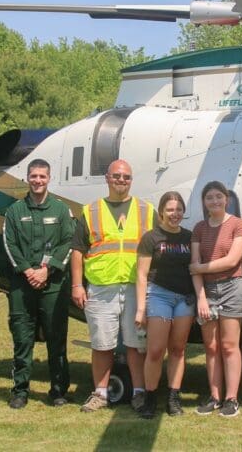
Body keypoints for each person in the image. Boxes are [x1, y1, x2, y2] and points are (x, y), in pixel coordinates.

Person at [71, 159, 155, 413]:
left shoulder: (146, 210)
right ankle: (100, 393)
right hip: (101, 286)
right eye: (117, 176)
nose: (121, 180)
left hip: (134, 287)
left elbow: (156, 249)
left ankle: (139, 392)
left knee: (136, 344)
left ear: (131, 181)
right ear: (107, 178)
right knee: (102, 344)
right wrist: (77, 285)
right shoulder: (91, 210)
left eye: (126, 177)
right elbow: (77, 251)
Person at [1, 159, 76, 409]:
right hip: (22, 286)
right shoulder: (14, 211)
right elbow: (9, 245)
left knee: (56, 339)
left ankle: (58, 391)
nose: (38, 181)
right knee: (22, 338)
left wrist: (46, 270)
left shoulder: (61, 210)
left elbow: (68, 243)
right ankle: (20, 391)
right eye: (33, 176)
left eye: (42, 176)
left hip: (53, 285)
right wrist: (28, 271)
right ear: (27, 178)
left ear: (49, 178)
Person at [190, 181, 242, 418]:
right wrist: (201, 299)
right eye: (209, 198)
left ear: (227, 199)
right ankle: (214, 396)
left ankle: (231, 398)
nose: (214, 201)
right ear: (203, 202)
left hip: (232, 287)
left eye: (218, 197)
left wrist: (201, 268)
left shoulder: (237, 224)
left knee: (229, 345)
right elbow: (194, 270)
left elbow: (232, 261)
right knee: (211, 347)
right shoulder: (199, 228)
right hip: (208, 290)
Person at [134, 191, 195, 419]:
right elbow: (141, 275)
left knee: (178, 350)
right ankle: (150, 399)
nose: (174, 214)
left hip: (184, 299)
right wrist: (141, 308)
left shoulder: (189, 237)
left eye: (179, 210)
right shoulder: (151, 238)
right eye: (170, 210)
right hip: (159, 295)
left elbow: (195, 268)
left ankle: (173, 398)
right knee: (156, 350)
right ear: (161, 211)